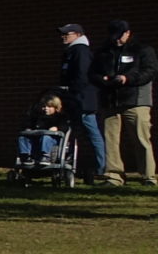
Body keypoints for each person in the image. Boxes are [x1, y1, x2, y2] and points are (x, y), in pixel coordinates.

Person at [90, 18, 154, 185]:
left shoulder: (142, 50)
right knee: (110, 139)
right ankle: (114, 175)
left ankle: (148, 176)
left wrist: (128, 79)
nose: (117, 39)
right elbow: (92, 73)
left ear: (128, 33)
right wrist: (103, 79)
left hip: (136, 100)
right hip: (110, 101)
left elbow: (149, 71)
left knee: (141, 138)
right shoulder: (103, 52)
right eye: (114, 36)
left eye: (120, 35)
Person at [57, 23, 106, 182]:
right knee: (72, 134)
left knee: (93, 134)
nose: (63, 36)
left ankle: (101, 167)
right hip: (75, 100)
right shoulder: (71, 51)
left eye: (67, 34)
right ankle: (70, 164)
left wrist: (73, 95)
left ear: (77, 35)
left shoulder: (81, 51)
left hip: (82, 101)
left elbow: (82, 77)